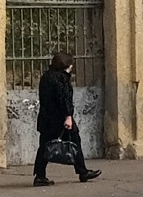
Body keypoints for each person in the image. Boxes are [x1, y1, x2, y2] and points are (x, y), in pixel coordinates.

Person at [33, 52, 101, 186]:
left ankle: (40, 175)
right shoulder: (61, 79)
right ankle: (82, 172)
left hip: (46, 118)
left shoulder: (46, 77)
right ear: (66, 65)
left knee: (45, 146)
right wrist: (68, 117)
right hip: (59, 118)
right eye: (71, 64)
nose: (72, 67)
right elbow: (64, 100)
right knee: (75, 141)